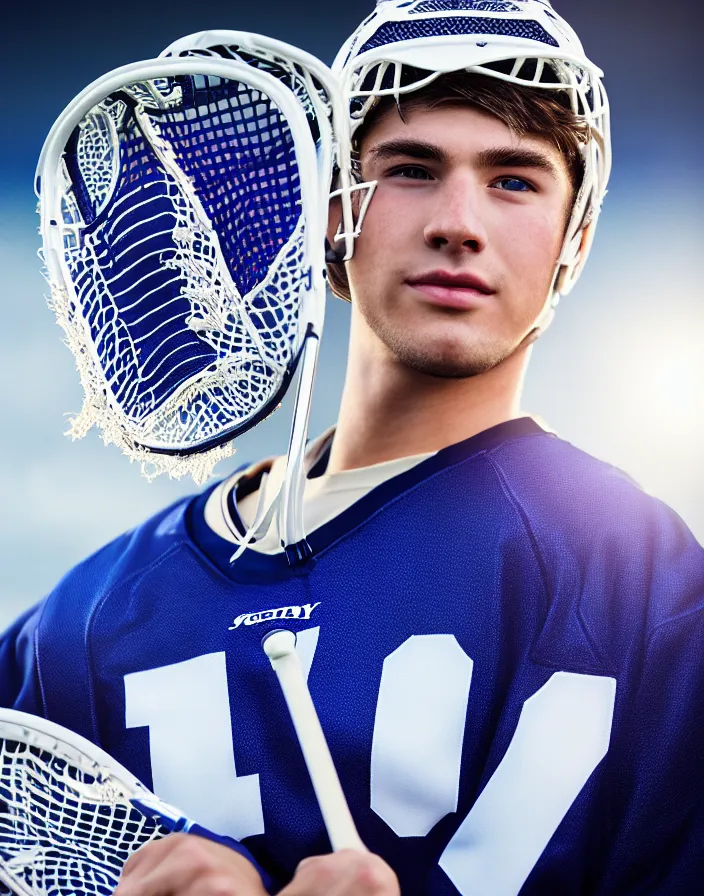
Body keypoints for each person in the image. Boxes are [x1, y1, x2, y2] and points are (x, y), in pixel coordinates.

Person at [3, 1, 704, 894]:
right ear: (331, 213)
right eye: (412, 169)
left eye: (515, 180)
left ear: (577, 234)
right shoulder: (83, 628)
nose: (459, 221)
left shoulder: (650, 589)